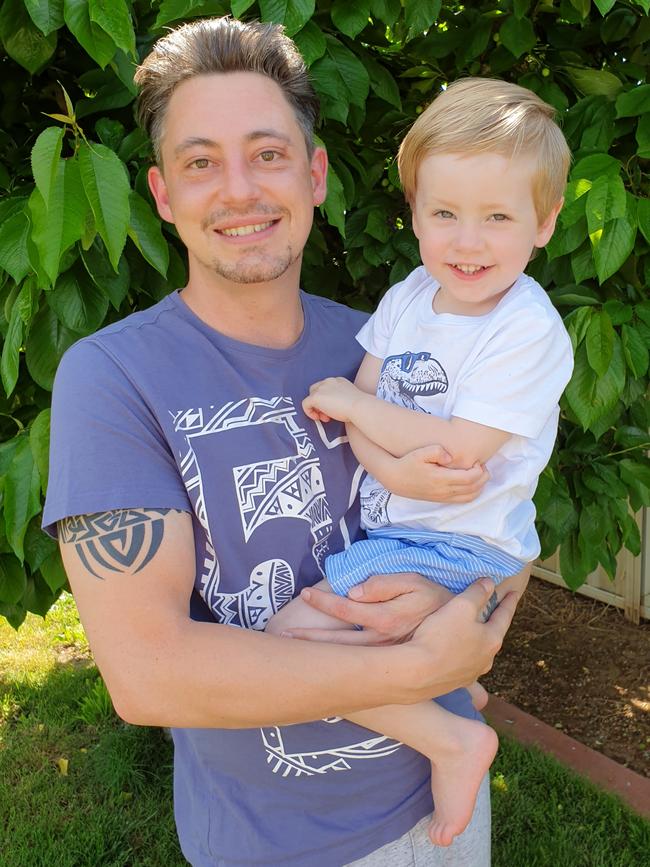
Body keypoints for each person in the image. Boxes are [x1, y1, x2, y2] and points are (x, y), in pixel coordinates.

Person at [42, 18, 523, 867]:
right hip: (279, 846)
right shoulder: (112, 378)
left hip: (448, 806)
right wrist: (422, 666)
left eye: (267, 153)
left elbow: (505, 503)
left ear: (314, 173)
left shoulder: (388, 346)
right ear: (161, 194)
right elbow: (148, 673)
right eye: (200, 162)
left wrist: (472, 606)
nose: (239, 190)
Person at [267, 78, 574, 848]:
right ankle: (447, 687)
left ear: (545, 223)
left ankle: (454, 739)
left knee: (285, 639)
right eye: (444, 214)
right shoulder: (410, 296)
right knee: (339, 641)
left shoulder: (526, 328)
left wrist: (365, 421)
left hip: (466, 544)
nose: (467, 242)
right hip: (410, 527)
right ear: (415, 215)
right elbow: (368, 404)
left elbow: (454, 451)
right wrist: (393, 465)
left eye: (497, 217)